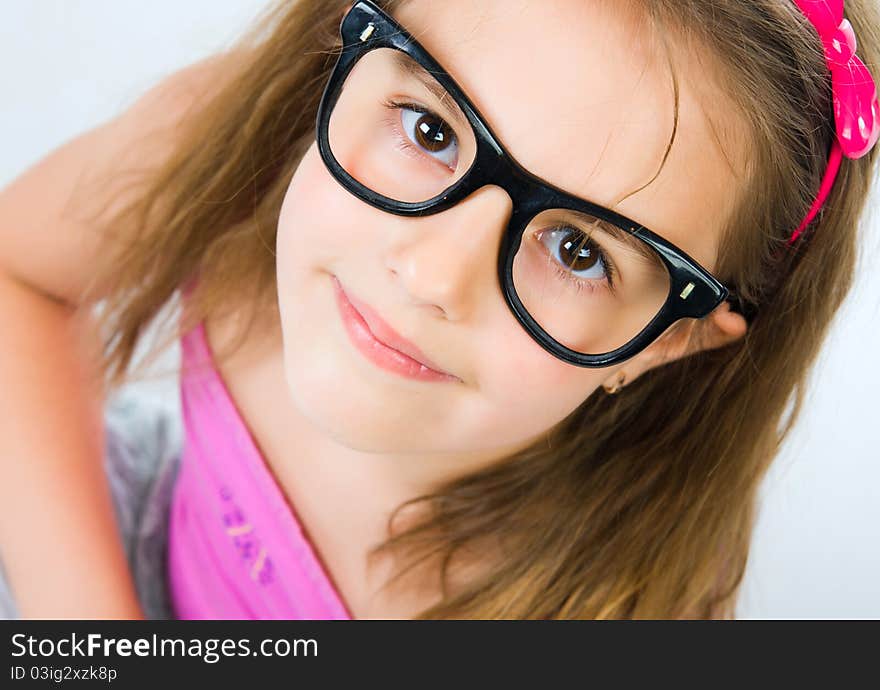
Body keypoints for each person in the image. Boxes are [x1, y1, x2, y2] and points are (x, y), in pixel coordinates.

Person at [0, 0, 877, 620]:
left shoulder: (619, 602)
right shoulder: (250, 148)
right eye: (431, 131)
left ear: (668, 343)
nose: (429, 276)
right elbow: (21, 278)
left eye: (578, 252)